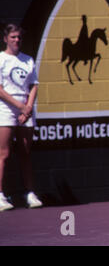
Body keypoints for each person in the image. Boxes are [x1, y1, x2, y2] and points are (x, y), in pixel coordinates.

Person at [0, 24, 42, 211]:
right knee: (4, 154)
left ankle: (30, 194)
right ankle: (0, 196)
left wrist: (28, 108)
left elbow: (34, 85)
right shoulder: (1, 59)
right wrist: (20, 107)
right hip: (6, 109)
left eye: (19, 38)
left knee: (25, 152)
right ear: (6, 39)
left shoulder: (28, 60)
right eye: (13, 37)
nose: (17, 40)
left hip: (26, 110)